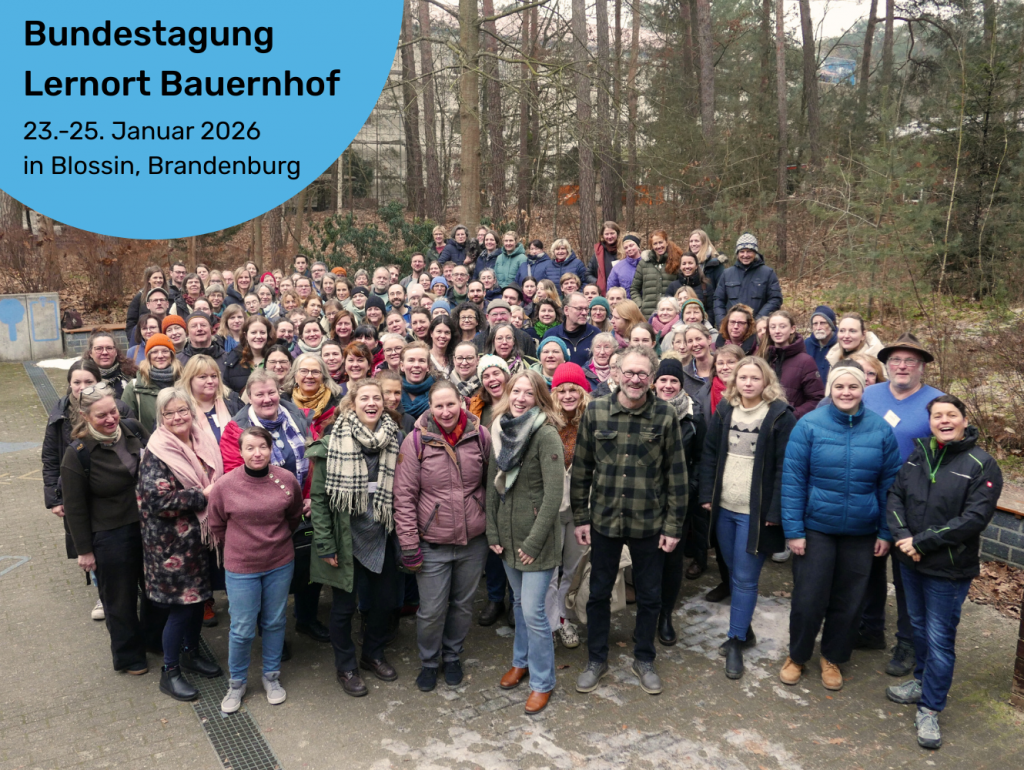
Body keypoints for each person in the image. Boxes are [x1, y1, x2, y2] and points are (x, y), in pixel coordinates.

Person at [884, 395, 1003, 750]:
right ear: (930, 422)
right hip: (910, 561)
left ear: (965, 420)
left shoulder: (982, 464)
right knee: (917, 627)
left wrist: (921, 543)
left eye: (952, 415)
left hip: (947, 570)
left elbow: (973, 519)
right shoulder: (919, 454)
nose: (944, 420)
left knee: (939, 638)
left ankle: (931, 707)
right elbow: (895, 497)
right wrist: (904, 538)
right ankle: (921, 680)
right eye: (938, 415)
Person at [571, 345, 687, 696]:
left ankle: (644, 657)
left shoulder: (665, 416)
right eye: (629, 372)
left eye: (643, 374)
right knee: (598, 592)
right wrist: (581, 516)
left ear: (651, 379)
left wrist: (673, 526)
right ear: (616, 373)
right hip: (604, 521)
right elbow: (582, 469)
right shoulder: (597, 411)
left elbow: (676, 477)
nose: (635, 379)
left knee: (651, 595)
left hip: (648, 524)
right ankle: (596, 658)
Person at [779, 363, 901, 692]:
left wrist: (885, 532)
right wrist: (794, 531)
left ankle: (832, 657)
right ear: (830, 390)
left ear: (864, 390)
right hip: (816, 527)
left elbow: (888, 486)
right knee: (808, 598)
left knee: (849, 601)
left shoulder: (879, 430)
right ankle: (797, 655)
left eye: (853, 387)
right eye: (839, 387)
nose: (846, 393)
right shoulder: (809, 426)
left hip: (861, 531)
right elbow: (793, 481)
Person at [308, 379, 404, 697]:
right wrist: (325, 544)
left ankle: (372, 654)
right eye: (365, 398)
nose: (372, 403)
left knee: (386, 602)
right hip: (345, 537)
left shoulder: (394, 438)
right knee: (343, 609)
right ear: (353, 402)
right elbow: (320, 501)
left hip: (382, 533)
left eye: (377, 397)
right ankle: (346, 666)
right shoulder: (333, 441)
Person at [698, 358, 794, 678]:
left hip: (755, 514)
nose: (749, 383)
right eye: (743, 377)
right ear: (735, 381)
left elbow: (784, 468)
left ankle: (736, 640)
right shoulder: (725, 411)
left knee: (744, 578)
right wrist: (706, 495)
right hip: (724, 507)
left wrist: (775, 511)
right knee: (731, 568)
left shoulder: (779, 415)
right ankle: (745, 629)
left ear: (766, 381)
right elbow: (710, 453)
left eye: (755, 378)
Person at [394, 381, 492, 692]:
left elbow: (492, 485)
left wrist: (492, 527)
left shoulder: (480, 435)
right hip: (432, 541)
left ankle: (452, 656)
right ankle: (429, 661)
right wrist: (409, 544)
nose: (446, 411)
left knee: (462, 605)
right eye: (439, 406)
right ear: (430, 408)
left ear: (462, 402)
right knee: (432, 609)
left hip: (472, 541)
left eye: (451, 404)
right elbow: (404, 495)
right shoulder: (416, 442)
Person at [857, 332, 945, 677]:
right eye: (896, 360)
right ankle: (869, 628)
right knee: (868, 568)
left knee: (907, 575)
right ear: (886, 365)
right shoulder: (868, 395)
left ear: (922, 367)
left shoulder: (935, 402)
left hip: (914, 505)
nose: (902, 366)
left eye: (910, 361)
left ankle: (907, 641)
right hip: (869, 494)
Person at [207, 426, 304, 713]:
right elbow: (216, 524)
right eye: (249, 448)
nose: (257, 453)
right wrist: (242, 546)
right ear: (240, 452)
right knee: (242, 627)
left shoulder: (286, 480)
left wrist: (274, 541)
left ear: (271, 448)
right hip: (241, 567)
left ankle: (271, 677)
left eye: (262, 446)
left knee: (274, 621)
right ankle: (236, 683)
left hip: (279, 562)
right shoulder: (225, 485)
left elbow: (294, 515)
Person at [485, 370, 565, 714]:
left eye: (528, 394)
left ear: (539, 398)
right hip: (506, 536)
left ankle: (543, 681)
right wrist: (493, 532)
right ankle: (521, 661)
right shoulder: (501, 430)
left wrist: (533, 543)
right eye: (515, 391)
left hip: (536, 541)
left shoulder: (546, 435)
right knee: (518, 605)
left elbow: (553, 495)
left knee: (533, 611)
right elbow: (493, 485)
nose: (520, 398)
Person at [137, 388, 224, 701]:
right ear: (161, 418)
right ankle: (169, 672)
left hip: (200, 539)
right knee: (180, 609)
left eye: (182, 411)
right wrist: (205, 495)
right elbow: (157, 501)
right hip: (171, 547)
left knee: (198, 601)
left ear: (191, 411)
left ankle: (190, 653)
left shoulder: (201, 439)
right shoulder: (156, 451)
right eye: (169, 413)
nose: (177, 418)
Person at [61, 382, 154, 674]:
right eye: (101, 415)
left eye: (112, 411)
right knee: (119, 599)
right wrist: (84, 551)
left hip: (149, 527)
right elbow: (75, 509)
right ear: (86, 417)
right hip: (110, 535)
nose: (110, 418)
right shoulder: (77, 454)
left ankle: (153, 640)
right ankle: (129, 656)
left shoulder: (133, 430)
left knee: (154, 590)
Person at [42, 361, 134, 620]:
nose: (82, 387)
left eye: (89, 382)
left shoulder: (121, 414)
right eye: (77, 382)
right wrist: (53, 497)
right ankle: (102, 594)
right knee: (90, 547)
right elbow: (50, 458)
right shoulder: (60, 414)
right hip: (79, 492)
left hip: (125, 512)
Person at [652, 358, 708, 637]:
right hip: (646, 500)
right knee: (649, 560)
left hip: (679, 500)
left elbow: (701, 458)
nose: (668, 385)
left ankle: (664, 616)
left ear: (681, 384)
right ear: (655, 383)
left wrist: (692, 487)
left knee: (672, 561)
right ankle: (647, 614)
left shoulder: (694, 416)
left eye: (674, 380)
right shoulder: (643, 411)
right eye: (663, 380)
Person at [545, 363, 591, 649]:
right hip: (550, 509)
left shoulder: (592, 420)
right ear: (555, 392)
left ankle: (562, 616)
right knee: (549, 570)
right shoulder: (546, 421)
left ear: (583, 392)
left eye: (574, 389)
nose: (568, 394)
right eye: (563, 389)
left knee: (571, 569)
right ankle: (550, 622)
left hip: (580, 509)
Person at [760, 310, 825, 419]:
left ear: (792, 329)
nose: (777, 331)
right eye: (773, 327)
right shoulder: (762, 358)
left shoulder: (805, 361)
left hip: (791, 425)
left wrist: (791, 415)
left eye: (782, 326)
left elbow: (816, 399)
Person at [713, 233, 783, 322]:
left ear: (755, 253)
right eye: (742, 251)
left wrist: (758, 321)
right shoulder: (727, 274)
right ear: (737, 253)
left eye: (749, 251)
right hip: (733, 328)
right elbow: (718, 301)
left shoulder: (768, 273)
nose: (745, 255)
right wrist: (723, 324)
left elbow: (775, 299)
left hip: (758, 328)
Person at [122, 334, 182, 431]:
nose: (160, 356)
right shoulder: (134, 387)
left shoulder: (184, 381)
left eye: (165, 351)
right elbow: (126, 424)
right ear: (148, 356)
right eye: (154, 352)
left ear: (171, 355)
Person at [180, 355, 244, 445]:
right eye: (203, 377)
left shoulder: (233, 401)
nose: (210, 381)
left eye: (214, 376)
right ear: (189, 379)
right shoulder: (179, 408)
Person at [282, 352, 343, 438]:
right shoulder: (283, 404)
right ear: (295, 376)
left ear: (323, 377)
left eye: (315, 372)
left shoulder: (339, 404)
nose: (309, 376)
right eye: (303, 371)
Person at [541, 292, 599, 366]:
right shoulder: (551, 335)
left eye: (586, 309)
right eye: (579, 308)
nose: (584, 313)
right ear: (566, 310)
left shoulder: (595, 334)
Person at [631, 230, 682, 316]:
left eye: (661, 242)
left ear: (666, 242)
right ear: (651, 246)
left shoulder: (676, 262)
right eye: (655, 244)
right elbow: (634, 289)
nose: (659, 246)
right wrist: (640, 305)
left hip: (670, 314)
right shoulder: (643, 264)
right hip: (647, 314)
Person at [223, 316, 275, 394]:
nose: (258, 336)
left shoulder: (278, 357)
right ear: (246, 335)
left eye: (262, 332)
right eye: (253, 332)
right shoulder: (233, 360)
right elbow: (227, 393)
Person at [83, 332, 137, 399]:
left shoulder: (131, 374)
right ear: (90, 353)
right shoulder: (82, 377)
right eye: (99, 348)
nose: (105, 352)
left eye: (109, 348)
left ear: (116, 352)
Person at [126, 266, 169, 344]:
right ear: (149, 279)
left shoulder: (169, 295)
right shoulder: (140, 297)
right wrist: (133, 339)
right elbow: (131, 321)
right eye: (155, 278)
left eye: (160, 278)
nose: (158, 280)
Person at [667, 252, 712, 324]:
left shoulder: (706, 286)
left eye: (690, 263)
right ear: (680, 267)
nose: (687, 266)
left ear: (696, 266)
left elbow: (710, 311)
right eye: (684, 264)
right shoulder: (673, 286)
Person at [805, 305, 838, 382]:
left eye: (822, 323)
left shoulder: (841, 345)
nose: (818, 328)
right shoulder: (806, 344)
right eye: (815, 324)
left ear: (831, 324)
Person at [589, 221, 620, 295]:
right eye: (606, 234)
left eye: (612, 233)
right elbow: (588, 274)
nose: (609, 237)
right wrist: (598, 282)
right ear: (602, 235)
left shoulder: (625, 249)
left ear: (617, 233)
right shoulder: (598, 253)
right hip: (604, 293)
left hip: (622, 291)